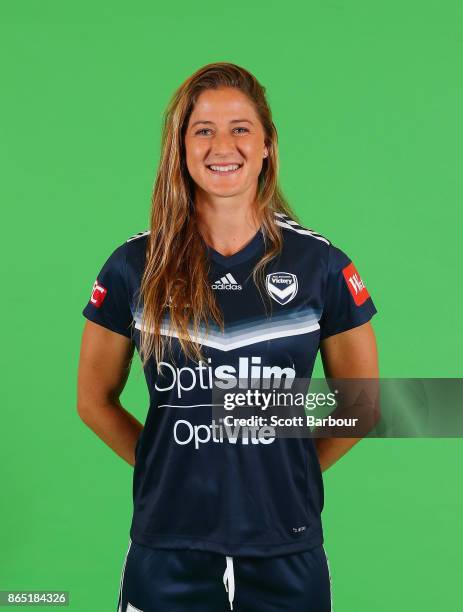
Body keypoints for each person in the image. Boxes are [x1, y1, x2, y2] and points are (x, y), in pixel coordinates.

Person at [77, 62, 379, 612]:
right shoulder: (131, 266)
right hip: (168, 547)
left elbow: (361, 405)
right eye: (203, 129)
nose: (224, 145)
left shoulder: (322, 266)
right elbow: (93, 401)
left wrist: (291, 472)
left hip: (285, 547)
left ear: (267, 145)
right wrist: (163, 467)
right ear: (182, 147)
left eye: (241, 127)